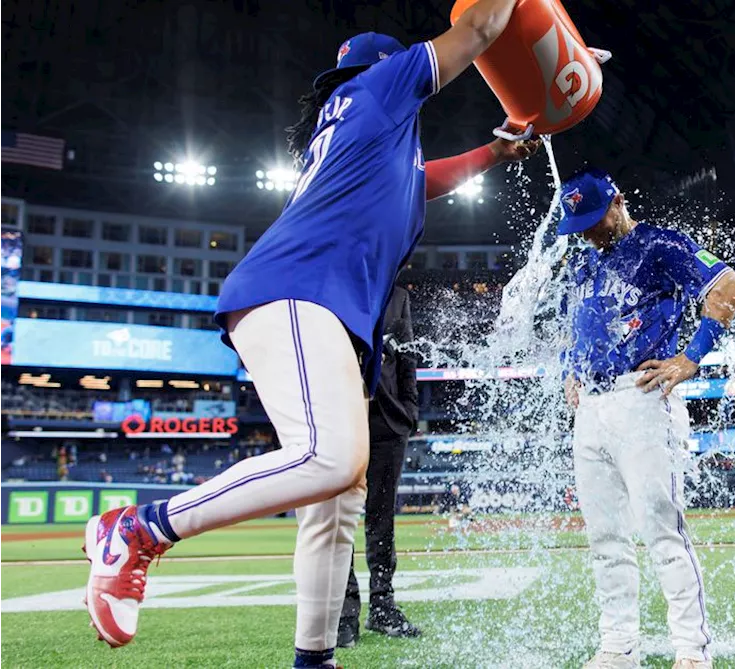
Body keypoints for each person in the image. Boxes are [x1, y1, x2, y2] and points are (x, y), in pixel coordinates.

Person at [81, 4, 541, 665]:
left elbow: (422, 182)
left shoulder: (364, 133)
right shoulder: (379, 88)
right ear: (390, 69)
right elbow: (479, 30)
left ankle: (315, 657)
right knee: (331, 457)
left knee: (336, 498)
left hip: (318, 307)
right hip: (300, 292)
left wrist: (495, 152)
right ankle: (139, 527)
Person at [558, 168, 735, 669]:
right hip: (592, 409)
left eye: (595, 219)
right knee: (604, 537)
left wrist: (691, 358)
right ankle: (619, 647)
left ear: (618, 201)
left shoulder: (659, 243)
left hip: (643, 398)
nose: (589, 232)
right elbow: (574, 327)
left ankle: (691, 651)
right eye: (579, 225)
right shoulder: (584, 263)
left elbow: (728, 285)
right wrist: (570, 371)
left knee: (662, 529)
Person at [338, 284, 420, 647]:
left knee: (381, 520)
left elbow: (407, 359)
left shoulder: (398, 297)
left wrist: (409, 411)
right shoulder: (333, 286)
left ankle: (383, 607)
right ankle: (343, 615)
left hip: (388, 422)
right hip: (339, 421)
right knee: (338, 520)